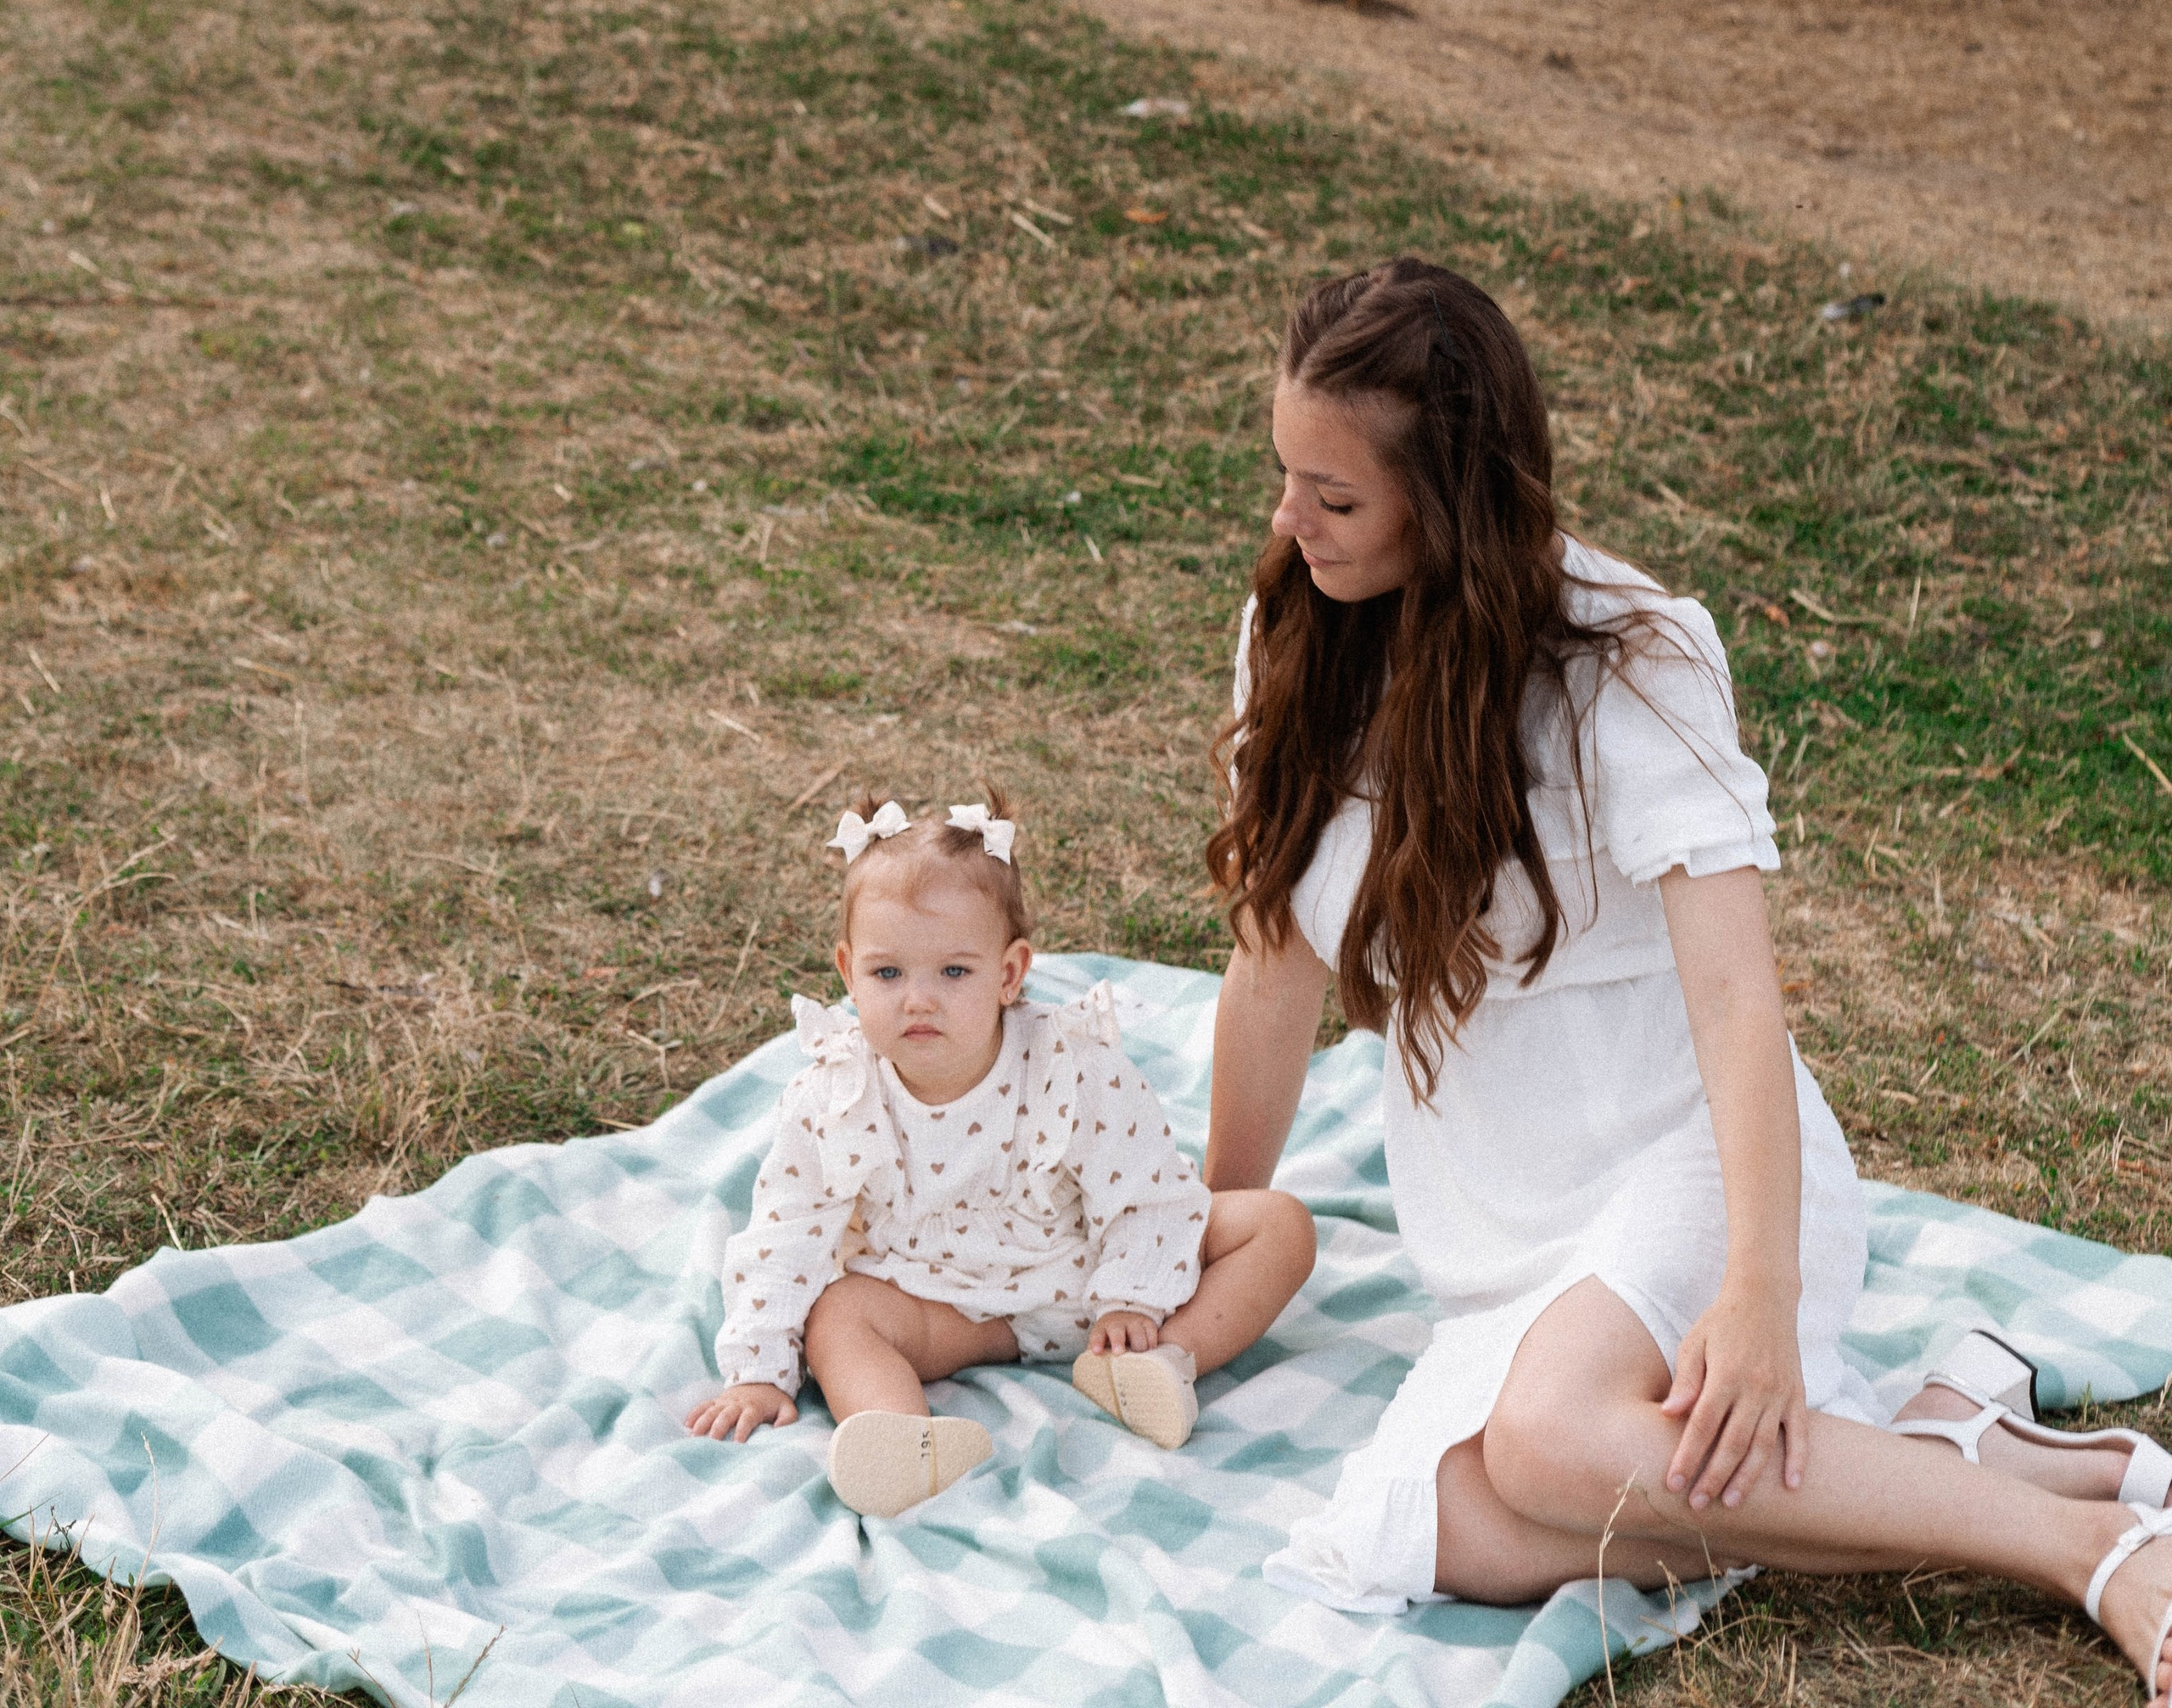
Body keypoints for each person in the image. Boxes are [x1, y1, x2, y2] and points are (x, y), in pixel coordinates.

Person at [1202, 260, 2172, 1696]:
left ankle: (2089, 1550)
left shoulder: (1633, 658)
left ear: (1450, 501)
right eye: (1285, 475)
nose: (1289, 521)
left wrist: (1759, 1298)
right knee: (1449, 1526)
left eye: (1333, 497)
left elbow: (1739, 1007)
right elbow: (1272, 964)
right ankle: (1931, 1447)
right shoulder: (1297, 631)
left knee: (1550, 1448)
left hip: (1687, 1152)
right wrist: (1206, 1221)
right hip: (1495, 1216)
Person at [690, 790, 1316, 1519]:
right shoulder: (834, 1094)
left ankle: (1163, 1362)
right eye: (888, 974)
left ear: (1010, 974)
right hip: (938, 1306)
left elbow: (1147, 1188)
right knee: (837, 1316)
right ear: (847, 971)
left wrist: (1132, 1297)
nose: (918, 1000)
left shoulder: (1069, 1065)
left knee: (1279, 1226)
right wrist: (759, 1368)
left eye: (954, 973)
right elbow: (786, 1232)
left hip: (1086, 1282)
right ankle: (899, 1437)